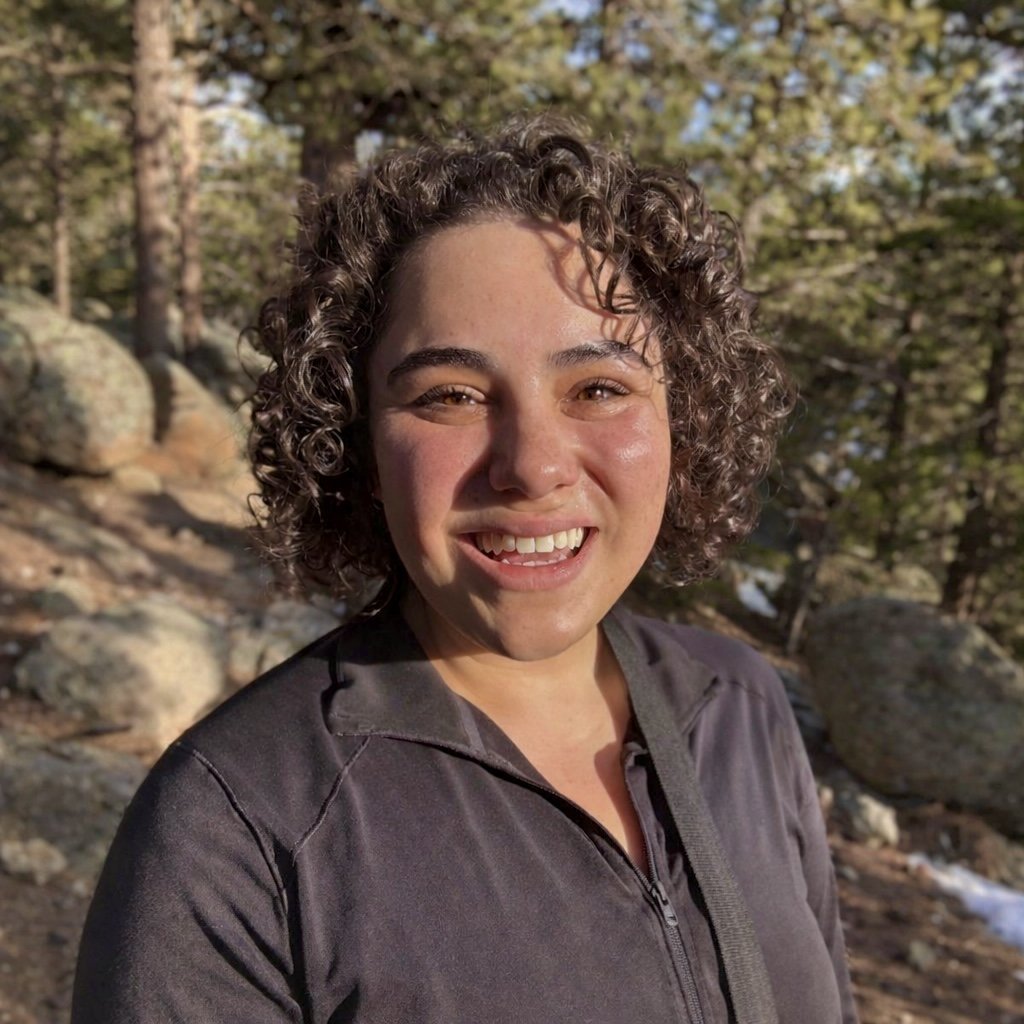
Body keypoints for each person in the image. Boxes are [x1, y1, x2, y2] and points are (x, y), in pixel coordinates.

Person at [72, 115, 858, 1023]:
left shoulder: (744, 710)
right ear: (354, 439)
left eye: (598, 388)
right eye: (451, 395)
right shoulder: (235, 830)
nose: (533, 465)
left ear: (686, 416)